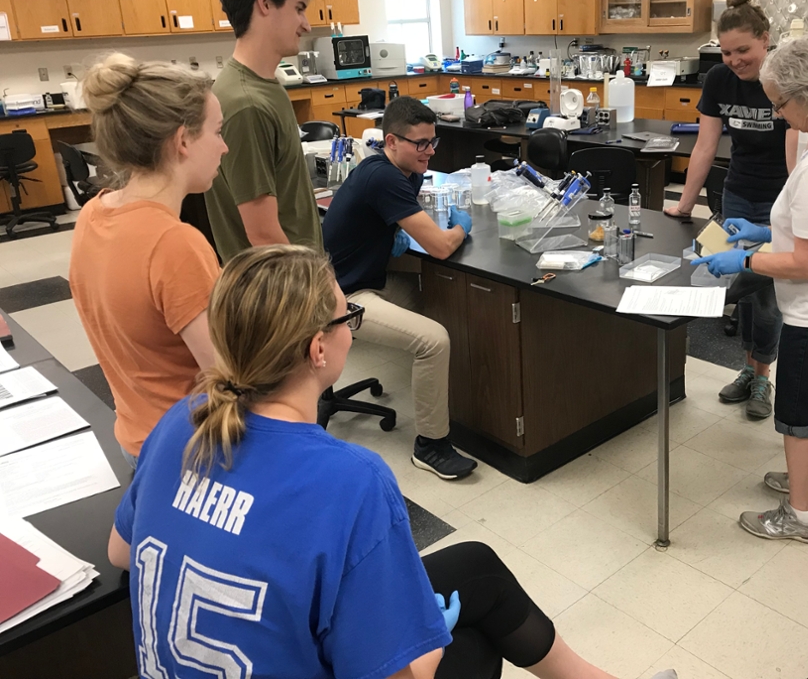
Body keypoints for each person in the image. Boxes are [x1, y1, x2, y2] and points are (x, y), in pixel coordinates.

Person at [106, 244, 671, 679]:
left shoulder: (185, 418)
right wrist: (426, 639)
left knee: (475, 566)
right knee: (471, 647)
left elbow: (120, 551)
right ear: (318, 349)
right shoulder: (348, 479)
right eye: (345, 316)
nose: (351, 326)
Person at [693, 34, 808, 543]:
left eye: (779, 103)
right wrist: (763, 231)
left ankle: (800, 518)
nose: (777, 115)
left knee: (798, 409)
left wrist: (747, 257)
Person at [69, 54, 224, 467]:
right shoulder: (175, 244)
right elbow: (230, 376)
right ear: (183, 141)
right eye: (218, 132)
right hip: (190, 450)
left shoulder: (93, 214)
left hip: (136, 436)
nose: (225, 147)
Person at [322, 97, 477, 481]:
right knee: (434, 339)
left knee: (442, 298)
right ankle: (431, 445)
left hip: (366, 280)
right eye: (420, 143)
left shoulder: (405, 172)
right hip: (340, 298)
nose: (429, 152)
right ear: (392, 141)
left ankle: (460, 401)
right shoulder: (385, 176)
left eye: (433, 142)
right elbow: (441, 246)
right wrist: (461, 228)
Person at [665, 0, 800, 421]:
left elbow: (796, 154)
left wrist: (792, 214)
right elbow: (705, 146)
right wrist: (685, 205)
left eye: (743, 50)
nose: (734, 60)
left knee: (770, 300)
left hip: (780, 199)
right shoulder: (720, 80)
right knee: (739, 291)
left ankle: (763, 377)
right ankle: (747, 369)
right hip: (738, 194)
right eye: (725, 52)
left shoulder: (784, 79)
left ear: (766, 38)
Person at [203, 0, 325, 263]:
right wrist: (322, 287)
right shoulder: (245, 103)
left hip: (294, 280)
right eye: (299, 8)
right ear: (265, 2)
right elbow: (264, 236)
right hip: (282, 291)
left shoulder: (264, 86)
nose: (306, 24)